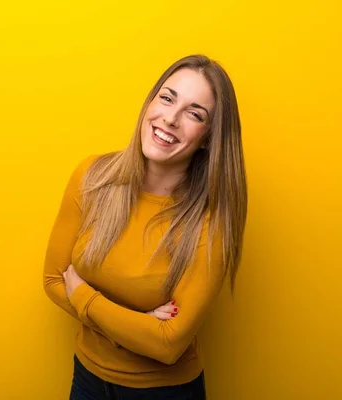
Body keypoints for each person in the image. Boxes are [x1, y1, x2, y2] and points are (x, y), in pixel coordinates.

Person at [43, 54, 247, 399]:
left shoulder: (211, 222)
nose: (170, 119)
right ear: (151, 101)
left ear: (209, 136)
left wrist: (82, 295)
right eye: (167, 98)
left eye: (194, 114)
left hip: (163, 392)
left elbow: (167, 344)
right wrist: (140, 324)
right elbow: (51, 281)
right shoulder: (93, 177)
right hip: (87, 380)